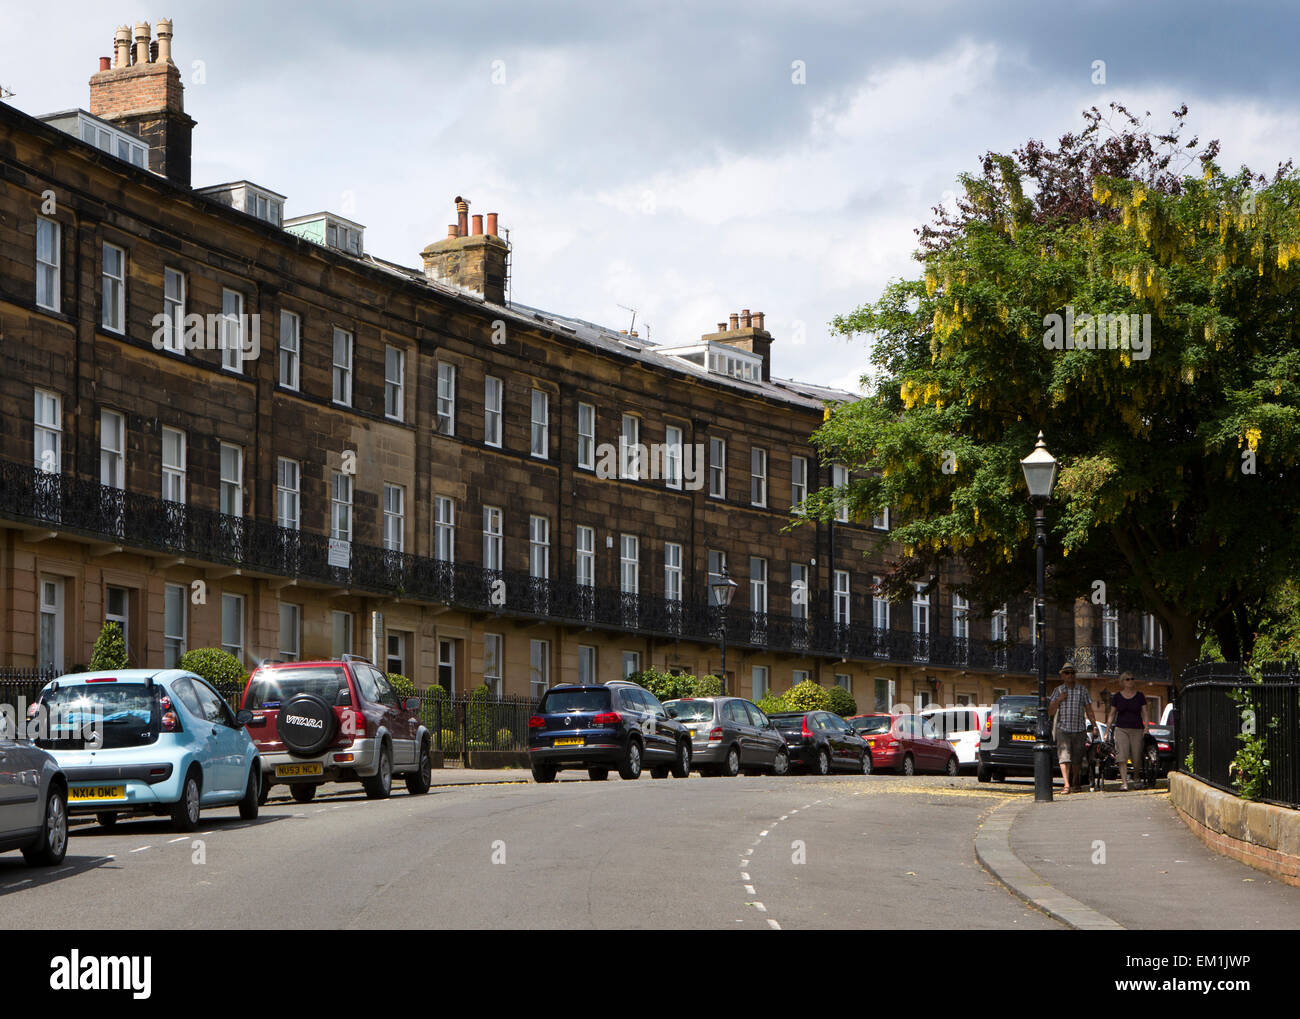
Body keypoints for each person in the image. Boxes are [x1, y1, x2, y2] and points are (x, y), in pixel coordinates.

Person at [1048, 661, 1097, 794]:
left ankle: (1075, 780)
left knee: (1077, 759)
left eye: (1072, 673)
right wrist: (1058, 700)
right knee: (1064, 757)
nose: (1070, 675)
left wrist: (1094, 726)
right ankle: (1066, 784)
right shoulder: (1057, 690)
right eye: (1067, 673)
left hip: (1079, 729)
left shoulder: (1082, 690)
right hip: (1062, 729)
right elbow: (1050, 712)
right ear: (1062, 676)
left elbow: (1089, 709)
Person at [1106, 672, 1149, 790]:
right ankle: (1124, 783)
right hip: (1121, 729)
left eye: (1132, 679)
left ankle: (1136, 777)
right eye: (1127, 679)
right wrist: (1107, 730)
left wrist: (1146, 728)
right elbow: (1112, 714)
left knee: (1136, 756)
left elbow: (1144, 712)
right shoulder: (1117, 697)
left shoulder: (1140, 696)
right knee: (1122, 756)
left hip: (1137, 729)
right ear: (1122, 682)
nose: (1130, 681)